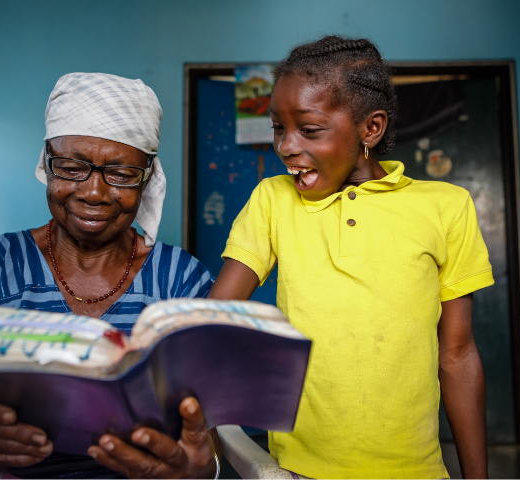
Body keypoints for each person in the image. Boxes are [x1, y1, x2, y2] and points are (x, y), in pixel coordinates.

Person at [205, 36, 493, 479]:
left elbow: (456, 354)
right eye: (278, 127)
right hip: (299, 471)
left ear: (370, 129)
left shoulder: (446, 206)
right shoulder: (273, 200)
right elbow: (217, 319)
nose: (285, 146)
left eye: (309, 129)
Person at [0, 73, 218, 479]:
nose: (94, 193)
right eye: (70, 167)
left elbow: (205, 440)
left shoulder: (180, 281)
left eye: (120, 174)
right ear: (46, 163)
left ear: (148, 176)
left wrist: (197, 470)